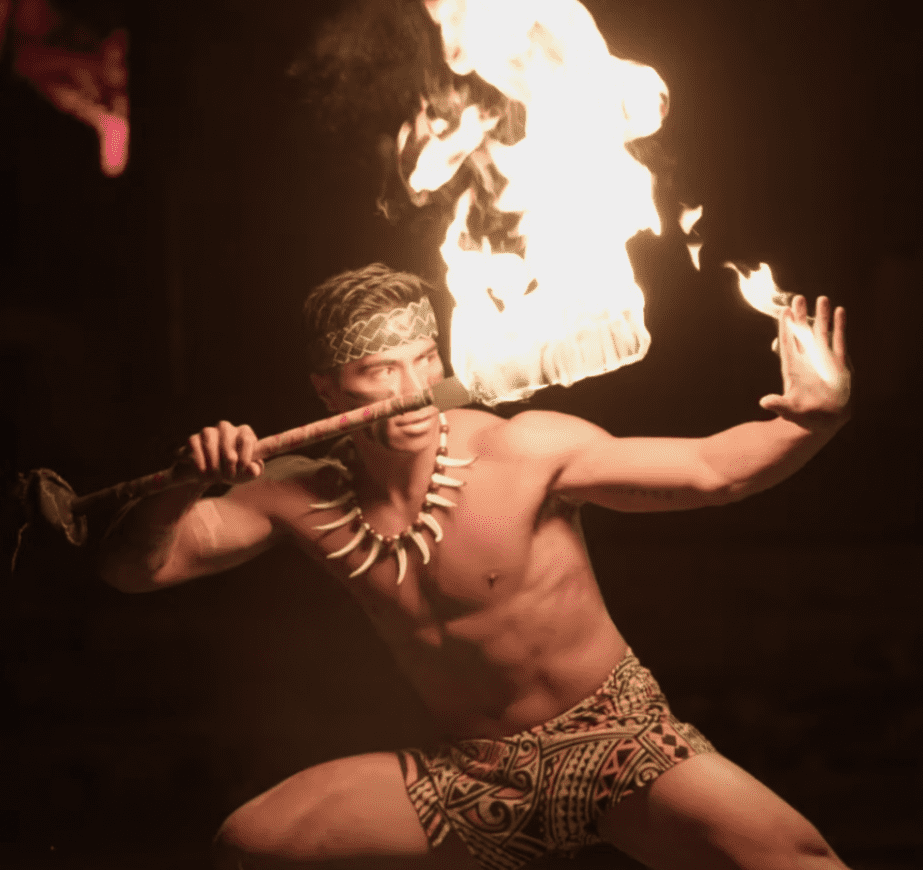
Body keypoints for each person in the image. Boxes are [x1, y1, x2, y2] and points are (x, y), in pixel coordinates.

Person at [99, 262, 853, 870]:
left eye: (425, 359)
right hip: (476, 774)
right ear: (326, 390)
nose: (412, 389)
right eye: (377, 369)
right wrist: (186, 481)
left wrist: (811, 421)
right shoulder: (299, 493)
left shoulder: (523, 449)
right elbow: (137, 568)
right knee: (251, 843)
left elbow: (714, 471)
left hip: (618, 747)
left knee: (800, 862)